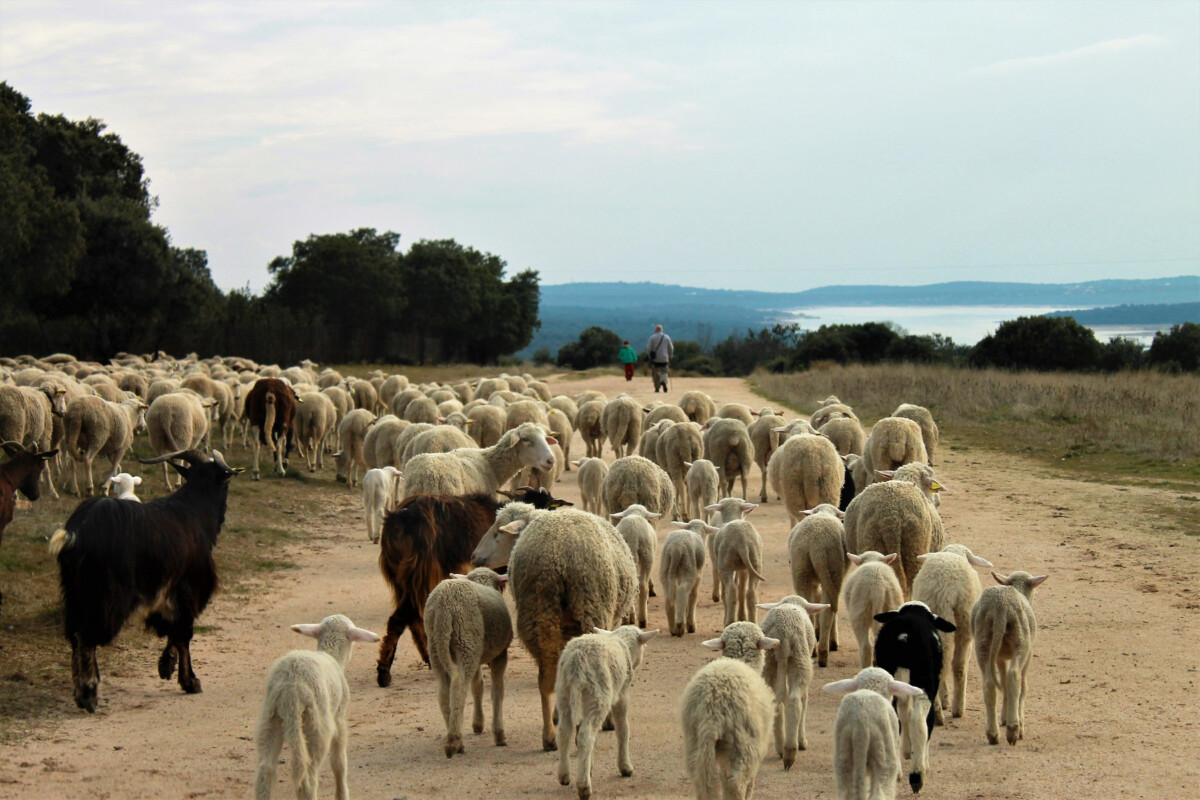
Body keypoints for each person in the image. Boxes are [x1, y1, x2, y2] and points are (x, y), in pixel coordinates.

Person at [646, 324, 674, 393]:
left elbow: (649, 348)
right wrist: (670, 356)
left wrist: (649, 356)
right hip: (664, 358)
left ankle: (657, 387)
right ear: (662, 330)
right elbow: (671, 348)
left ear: (656, 330)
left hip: (655, 359)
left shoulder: (652, 337)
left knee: (655, 373)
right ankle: (663, 381)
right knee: (664, 371)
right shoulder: (666, 337)